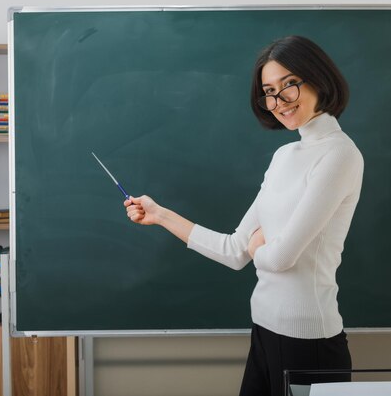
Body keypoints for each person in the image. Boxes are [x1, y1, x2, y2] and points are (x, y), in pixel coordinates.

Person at [124, 35, 364, 396]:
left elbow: (281, 257)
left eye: (289, 86)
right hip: (264, 332)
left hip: (309, 342)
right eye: (269, 91)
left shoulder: (340, 155)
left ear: (318, 79)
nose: (278, 101)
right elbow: (236, 249)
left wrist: (258, 249)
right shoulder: (284, 156)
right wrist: (160, 215)